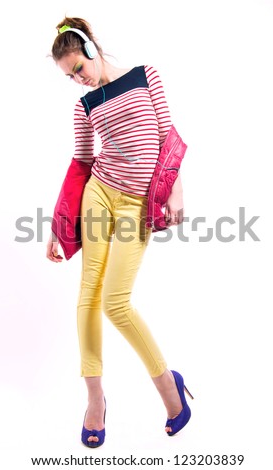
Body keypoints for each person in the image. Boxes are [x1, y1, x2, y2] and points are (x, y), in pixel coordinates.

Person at [46, 16, 193, 448]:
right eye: (68, 76)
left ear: (91, 49)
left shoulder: (145, 77)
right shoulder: (84, 106)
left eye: (77, 69)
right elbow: (81, 165)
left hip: (135, 205)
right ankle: (95, 398)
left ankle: (168, 384)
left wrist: (177, 190)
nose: (77, 80)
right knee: (89, 292)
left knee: (116, 301)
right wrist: (59, 224)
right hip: (99, 195)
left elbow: (167, 135)